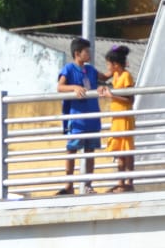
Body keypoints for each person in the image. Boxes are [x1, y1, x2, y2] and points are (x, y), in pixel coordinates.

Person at [56, 38, 108, 195]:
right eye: (86, 51)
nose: (89, 54)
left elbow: (104, 77)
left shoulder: (90, 70)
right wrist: (74, 87)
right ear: (77, 53)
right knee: (72, 150)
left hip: (92, 118)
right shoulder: (69, 69)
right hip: (77, 119)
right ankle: (69, 185)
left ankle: (88, 185)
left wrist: (118, 63)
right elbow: (60, 87)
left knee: (90, 151)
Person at [102, 45, 134, 193]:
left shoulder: (126, 76)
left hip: (124, 117)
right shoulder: (115, 76)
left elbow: (129, 98)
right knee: (119, 150)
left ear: (115, 64)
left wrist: (112, 95)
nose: (108, 67)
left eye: (109, 64)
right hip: (116, 117)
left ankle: (129, 182)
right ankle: (121, 182)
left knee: (126, 150)